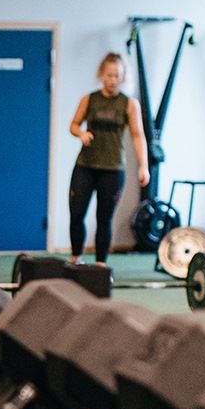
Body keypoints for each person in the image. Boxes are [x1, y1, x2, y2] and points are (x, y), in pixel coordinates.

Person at [67, 52, 150, 265]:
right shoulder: (89, 99)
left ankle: (100, 266)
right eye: (109, 75)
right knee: (77, 214)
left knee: (104, 219)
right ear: (101, 75)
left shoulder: (129, 104)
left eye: (117, 76)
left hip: (112, 169)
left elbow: (137, 135)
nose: (112, 80)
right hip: (86, 165)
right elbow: (74, 125)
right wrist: (81, 134)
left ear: (122, 77)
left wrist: (144, 166)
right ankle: (76, 258)